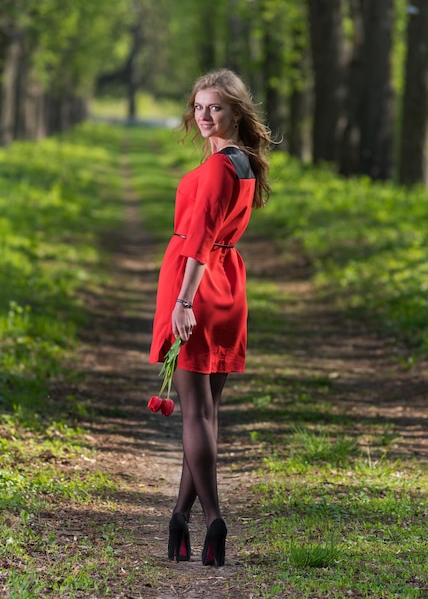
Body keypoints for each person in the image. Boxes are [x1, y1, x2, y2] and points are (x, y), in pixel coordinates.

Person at [149, 68, 272, 567]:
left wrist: (182, 303)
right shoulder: (244, 163)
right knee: (206, 413)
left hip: (196, 286)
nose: (204, 116)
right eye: (199, 107)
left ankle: (215, 519)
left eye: (214, 107)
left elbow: (198, 239)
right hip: (227, 281)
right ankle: (180, 519)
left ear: (235, 112)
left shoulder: (221, 168)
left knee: (195, 412)